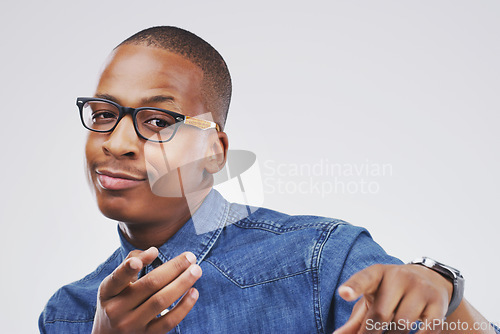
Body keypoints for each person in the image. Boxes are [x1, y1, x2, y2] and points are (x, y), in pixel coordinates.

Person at [39, 26, 498, 334]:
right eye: (103, 114)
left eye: (158, 121)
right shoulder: (68, 314)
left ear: (215, 151)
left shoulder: (321, 260)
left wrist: (445, 292)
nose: (116, 142)